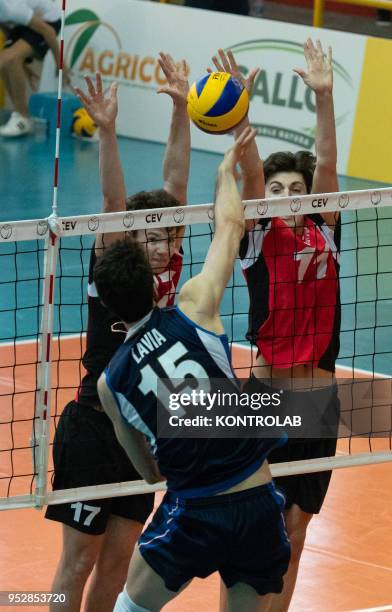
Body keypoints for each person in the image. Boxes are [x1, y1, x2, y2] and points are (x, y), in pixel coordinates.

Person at [95, 126, 291, 612]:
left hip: (195, 511)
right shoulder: (195, 305)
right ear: (153, 280)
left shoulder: (110, 381)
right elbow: (230, 226)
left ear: (112, 312)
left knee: (132, 605)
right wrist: (226, 171)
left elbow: (148, 472)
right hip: (256, 499)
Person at [45, 55, 191, 612]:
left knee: (118, 561)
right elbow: (111, 205)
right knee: (77, 561)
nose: (163, 244)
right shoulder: (114, 262)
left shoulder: (174, 263)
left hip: (144, 434)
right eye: (151, 235)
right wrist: (106, 129)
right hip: (94, 426)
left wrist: (180, 107)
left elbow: (176, 185)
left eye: (170, 235)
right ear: (132, 239)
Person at [212, 41, 340, 612]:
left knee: (295, 530)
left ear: (311, 199)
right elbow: (254, 175)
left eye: (297, 189)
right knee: (250, 526)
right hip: (264, 398)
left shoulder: (327, 233)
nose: (286, 196)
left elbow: (330, 165)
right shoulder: (261, 235)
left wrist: (325, 96)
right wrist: (240, 115)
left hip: (318, 402)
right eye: (279, 189)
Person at [0, 0, 69, 137]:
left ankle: (23, 117)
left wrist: (60, 64)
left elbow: (47, 31)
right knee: (4, 61)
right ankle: (19, 114)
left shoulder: (11, 7)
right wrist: (21, 63)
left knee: (10, 59)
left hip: (49, 21)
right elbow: (8, 33)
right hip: (24, 24)